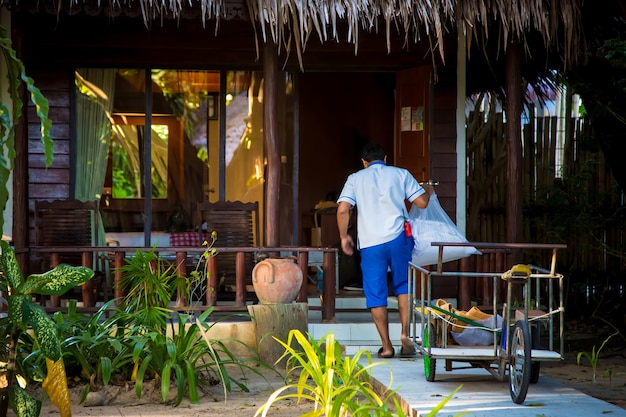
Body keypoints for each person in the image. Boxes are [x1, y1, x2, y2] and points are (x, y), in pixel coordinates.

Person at [336, 143, 433, 358]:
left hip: (371, 243)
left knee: (376, 292)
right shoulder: (401, 174)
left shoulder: (355, 178)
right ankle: (406, 334)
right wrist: (428, 190)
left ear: (364, 162)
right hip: (399, 238)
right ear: (386, 158)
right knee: (403, 285)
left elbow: (343, 209)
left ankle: (387, 346)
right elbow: (422, 203)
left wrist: (344, 237)